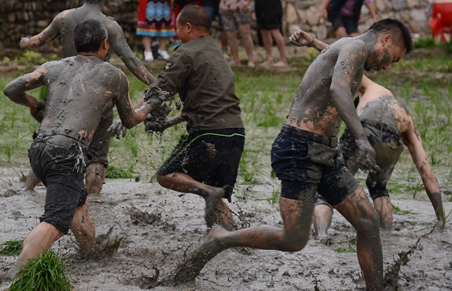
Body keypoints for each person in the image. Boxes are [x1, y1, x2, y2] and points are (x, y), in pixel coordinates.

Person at [172, 19, 414, 291]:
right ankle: (220, 238)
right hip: (299, 147)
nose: (386, 66)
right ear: (387, 39)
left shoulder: (347, 48)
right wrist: (361, 138)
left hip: (325, 151)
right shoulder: (355, 46)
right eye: (393, 58)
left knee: (368, 221)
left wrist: (312, 42)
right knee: (293, 239)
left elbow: (332, 64)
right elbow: (338, 88)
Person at [4, 19, 161, 278]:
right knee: (55, 222)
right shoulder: (114, 75)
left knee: (78, 204)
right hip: (68, 152)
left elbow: (11, 89)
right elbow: (130, 120)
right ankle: (14, 275)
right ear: (105, 45)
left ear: (75, 44)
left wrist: (37, 105)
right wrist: (151, 105)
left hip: (39, 149)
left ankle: (91, 254)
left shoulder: (53, 67)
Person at [289, 30, 445, 235]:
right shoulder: (407, 119)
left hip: (367, 125)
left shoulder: (369, 87)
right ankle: (387, 234)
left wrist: (312, 42)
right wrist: (442, 218)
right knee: (379, 188)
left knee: (326, 192)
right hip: (393, 139)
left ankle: (322, 238)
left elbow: (340, 57)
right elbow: (427, 174)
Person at [19, 0, 157, 194]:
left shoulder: (63, 18)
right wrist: (156, 84)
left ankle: (27, 190)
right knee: (97, 156)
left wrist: (24, 42)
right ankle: (94, 201)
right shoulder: (110, 27)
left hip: (62, 92)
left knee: (51, 139)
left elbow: (38, 40)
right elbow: (130, 60)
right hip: (97, 94)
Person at [145, 5, 245, 230]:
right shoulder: (216, 52)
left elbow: (160, 94)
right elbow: (204, 104)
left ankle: (208, 192)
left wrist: (133, 115)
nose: (175, 34)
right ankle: (231, 241)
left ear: (188, 27)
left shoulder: (185, 52)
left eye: (177, 29)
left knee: (165, 175)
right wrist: (168, 123)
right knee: (216, 198)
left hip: (209, 133)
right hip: (236, 133)